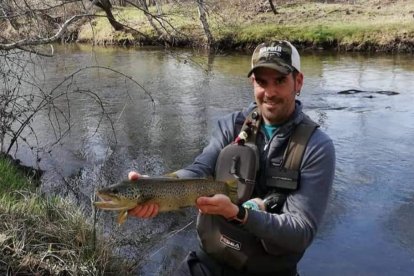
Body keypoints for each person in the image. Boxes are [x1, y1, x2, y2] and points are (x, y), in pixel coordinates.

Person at [128, 40, 336, 276]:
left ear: (298, 82)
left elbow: (300, 232)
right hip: (210, 263)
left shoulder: (317, 147)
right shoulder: (231, 126)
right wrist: (155, 185)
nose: (269, 93)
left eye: (280, 81)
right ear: (252, 83)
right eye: (261, 82)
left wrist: (240, 214)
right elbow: (199, 170)